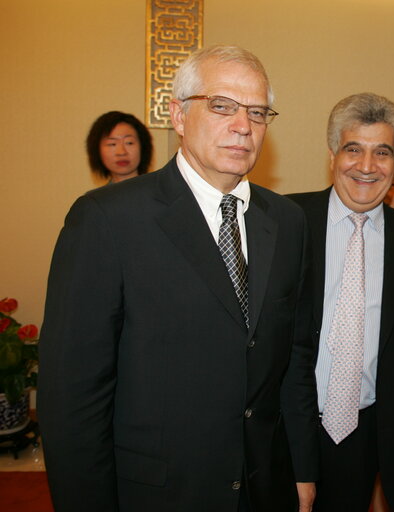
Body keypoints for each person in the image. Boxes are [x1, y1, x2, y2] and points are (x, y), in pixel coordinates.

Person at [38, 45, 317, 512]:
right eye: (222, 106)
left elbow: (293, 360)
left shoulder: (287, 222)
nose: (243, 126)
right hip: (156, 493)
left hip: (264, 487)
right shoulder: (107, 220)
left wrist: (303, 469)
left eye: (257, 112)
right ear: (179, 116)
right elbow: (73, 398)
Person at [288, 92, 394, 512]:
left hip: (364, 430)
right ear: (332, 154)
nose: (366, 166)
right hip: (287, 424)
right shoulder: (285, 222)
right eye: (353, 149)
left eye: (382, 153)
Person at [86, 111, 153, 183]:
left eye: (129, 143)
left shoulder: (161, 192)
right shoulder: (97, 194)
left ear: (143, 147)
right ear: (97, 151)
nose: (122, 152)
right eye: (112, 144)